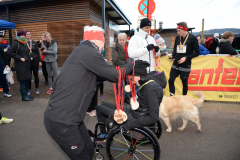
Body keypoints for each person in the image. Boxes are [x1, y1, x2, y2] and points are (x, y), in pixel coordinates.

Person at [44, 25, 133, 160]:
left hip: (72, 119)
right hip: (62, 120)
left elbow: (100, 76)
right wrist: (131, 64)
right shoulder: (87, 52)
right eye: (103, 43)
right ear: (97, 41)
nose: (104, 48)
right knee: (82, 156)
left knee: (89, 148)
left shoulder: (82, 51)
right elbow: (115, 75)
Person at [96, 60, 166, 135]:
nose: (131, 80)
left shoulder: (150, 89)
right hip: (136, 111)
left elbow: (154, 117)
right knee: (104, 104)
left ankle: (104, 137)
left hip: (136, 116)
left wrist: (130, 124)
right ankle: (107, 128)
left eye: (132, 78)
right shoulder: (147, 84)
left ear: (138, 76)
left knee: (99, 108)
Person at [169, 22, 199, 96]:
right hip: (176, 63)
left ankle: (184, 99)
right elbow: (175, 48)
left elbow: (197, 53)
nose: (178, 32)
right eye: (177, 31)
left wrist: (186, 58)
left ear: (185, 30)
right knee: (171, 80)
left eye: (179, 31)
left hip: (186, 64)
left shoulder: (193, 38)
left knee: (184, 82)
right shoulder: (177, 37)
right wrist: (173, 55)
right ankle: (172, 98)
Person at [8, 30, 33, 101]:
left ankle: (26, 95)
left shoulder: (24, 43)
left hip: (26, 65)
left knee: (27, 81)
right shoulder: (16, 43)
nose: (23, 36)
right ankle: (24, 97)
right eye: (21, 35)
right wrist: (20, 58)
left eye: (24, 35)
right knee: (23, 81)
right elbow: (10, 53)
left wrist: (28, 57)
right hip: (20, 66)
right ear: (18, 36)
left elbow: (25, 53)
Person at [111, 33, 130, 104]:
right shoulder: (115, 47)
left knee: (127, 84)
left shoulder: (129, 46)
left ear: (126, 40)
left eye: (123, 39)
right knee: (119, 85)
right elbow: (115, 60)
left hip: (127, 69)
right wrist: (127, 63)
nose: (121, 41)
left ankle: (126, 98)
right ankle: (119, 100)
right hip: (119, 69)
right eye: (120, 40)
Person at [25, 30, 42, 95]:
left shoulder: (34, 43)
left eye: (29, 34)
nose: (28, 35)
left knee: (36, 75)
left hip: (35, 61)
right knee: (29, 76)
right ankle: (29, 89)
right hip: (28, 62)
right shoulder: (24, 43)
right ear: (25, 35)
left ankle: (36, 88)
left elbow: (38, 53)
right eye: (27, 34)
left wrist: (40, 61)